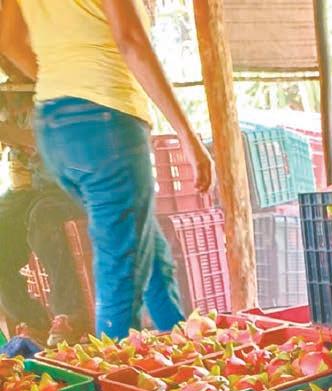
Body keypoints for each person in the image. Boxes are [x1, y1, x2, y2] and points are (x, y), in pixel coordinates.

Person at [0, 0, 214, 341]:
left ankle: (181, 343)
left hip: (56, 125)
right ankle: (113, 364)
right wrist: (186, 134)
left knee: (145, 249)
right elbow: (131, 39)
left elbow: (8, 39)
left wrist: (60, 82)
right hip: (106, 121)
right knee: (121, 276)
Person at [0, 69, 88, 344]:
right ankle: (33, 320)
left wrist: (11, 133)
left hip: (72, 185)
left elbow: (51, 141)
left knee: (44, 217)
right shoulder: (8, 95)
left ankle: (69, 313)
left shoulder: (59, 87)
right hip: (34, 188)